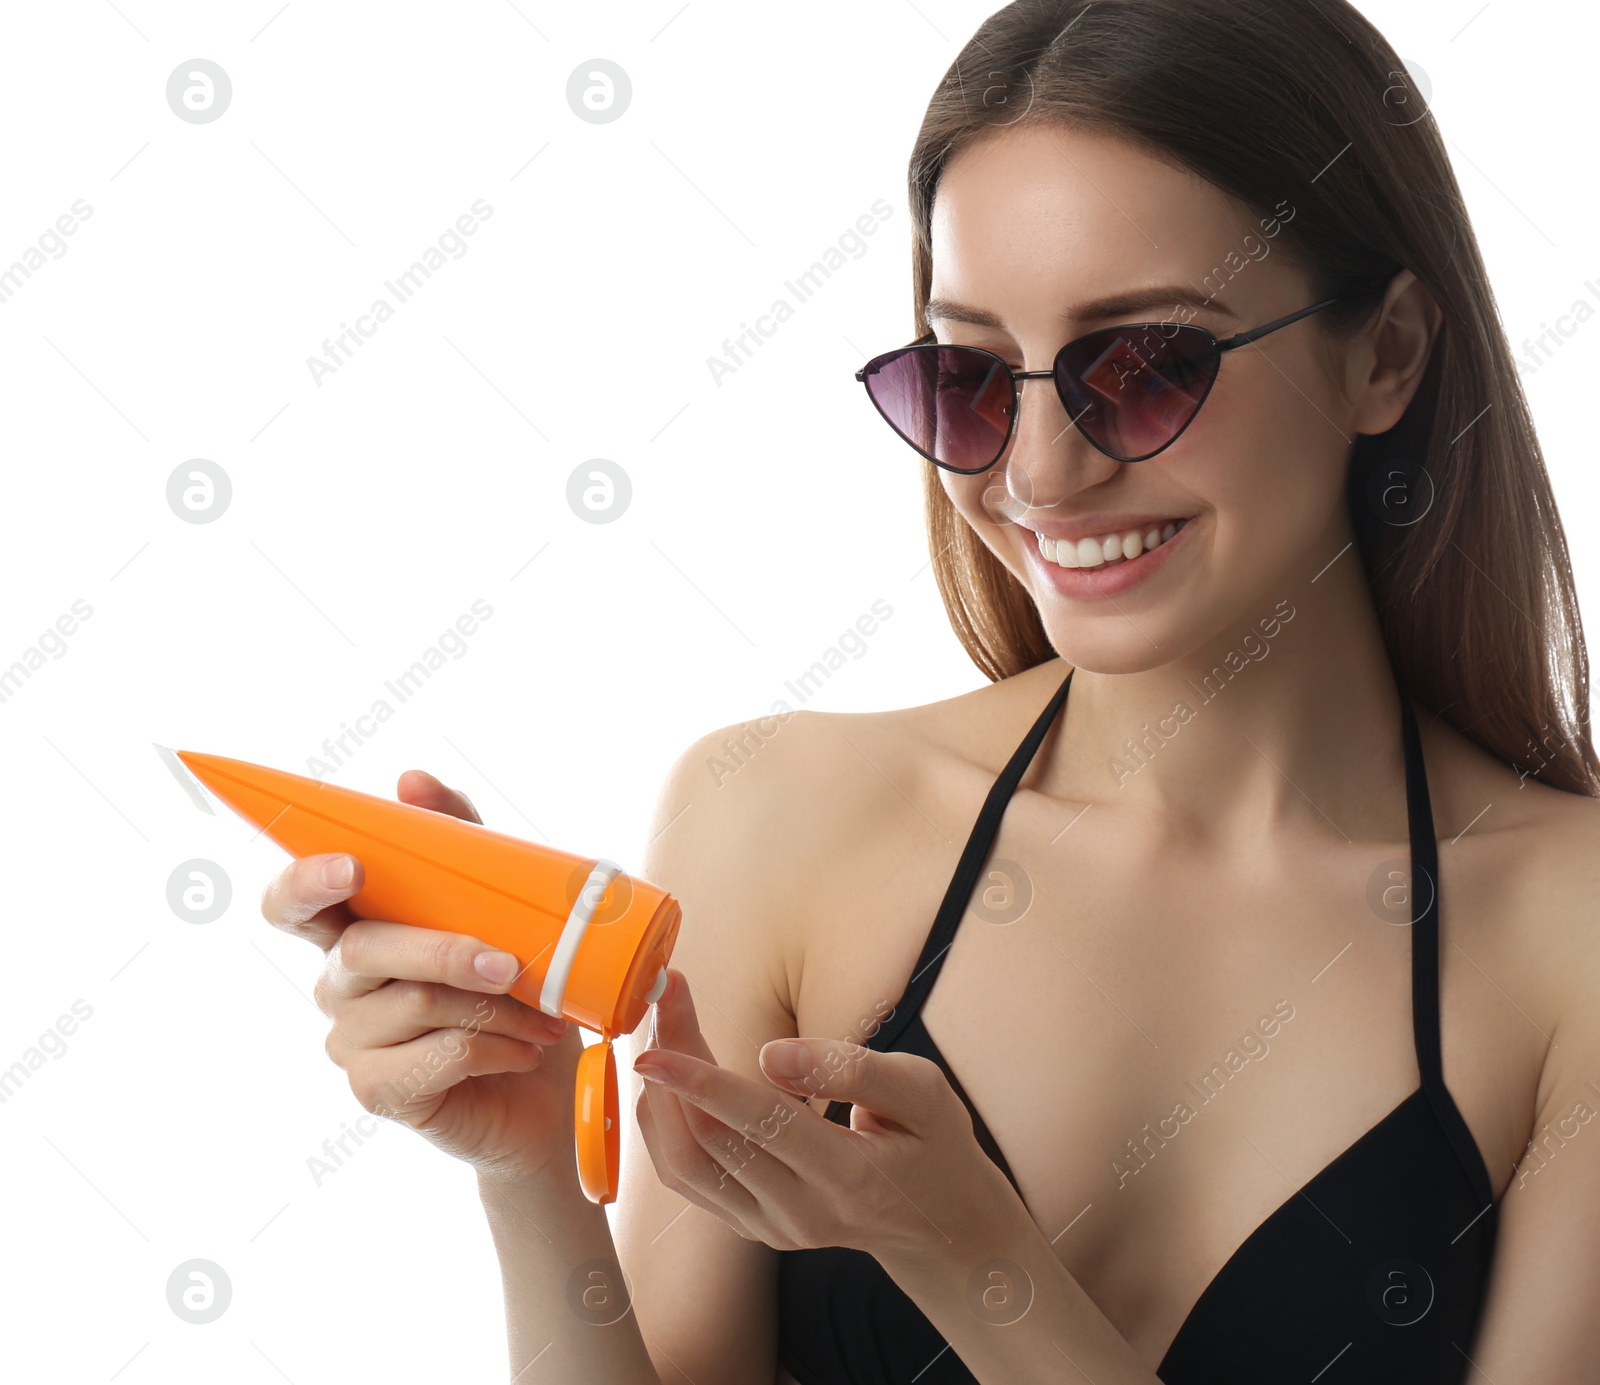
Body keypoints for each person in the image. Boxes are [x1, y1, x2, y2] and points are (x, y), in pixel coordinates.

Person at [261, 1, 1600, 1379]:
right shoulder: (776, 814)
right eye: (970, 376)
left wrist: (983, 1268)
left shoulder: (1576, 939)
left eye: (1142, 368)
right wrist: (528, 1164)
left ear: (1385, 353)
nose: (1036, 475)